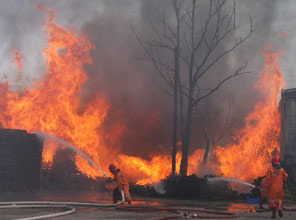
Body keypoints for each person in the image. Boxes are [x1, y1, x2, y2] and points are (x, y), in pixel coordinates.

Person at [265, 149, 288, 218]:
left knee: (272, 202)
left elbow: (267, 179)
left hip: (272, 188)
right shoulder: (281, 169)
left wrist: (265, 187)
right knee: (279, 200)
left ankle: (274, 215)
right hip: (280, 187)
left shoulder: (270, 169)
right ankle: (280, 208)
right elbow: (286, 176)